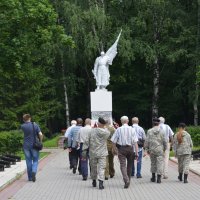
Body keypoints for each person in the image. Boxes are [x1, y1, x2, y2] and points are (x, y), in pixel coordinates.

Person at [111, 116, 138, 189]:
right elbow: (135, 142)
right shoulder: (132, 129)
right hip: (130, 148)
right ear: (128, 121)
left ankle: (126, 180)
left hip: (121, 149)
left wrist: (115, 149)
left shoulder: (118, 129)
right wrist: (137, 152)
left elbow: (113, 141)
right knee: (130, 165)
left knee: (122, 165)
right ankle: (128, 180)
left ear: (121, 121)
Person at [86, 117, 110, 190]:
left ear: (98, 123)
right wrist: (106, 126)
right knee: (102, 168)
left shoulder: (91, 131)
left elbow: (87, 141)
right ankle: (101, 183)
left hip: (93, 152)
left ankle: (94, 181)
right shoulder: (106, 132)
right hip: (102, 153)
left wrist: (84, 150)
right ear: (104, 124)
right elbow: (107, 132)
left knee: (93, 167)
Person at [21, 114, 43, 182]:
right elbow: (40, 134)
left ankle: (30, 177)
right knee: (35, 160)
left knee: (28, 161)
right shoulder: (35, 125)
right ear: (30, 118)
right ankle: (34, 171)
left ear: (24, 119)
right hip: (34, 145)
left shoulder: (22, 126)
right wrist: (40, 141)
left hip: (26, 146)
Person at [144, 118, 167, 183]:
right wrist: (165, 149)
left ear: (153, 123)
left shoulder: (149, 131)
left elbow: (147, 141)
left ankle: (153, 177)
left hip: (152, 149)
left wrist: (146, 149)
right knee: (160, 163)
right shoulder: (162, 131)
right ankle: (159, 178)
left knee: (153, 163)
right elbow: (165, 141)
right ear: (159, 123)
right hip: (160, 149)